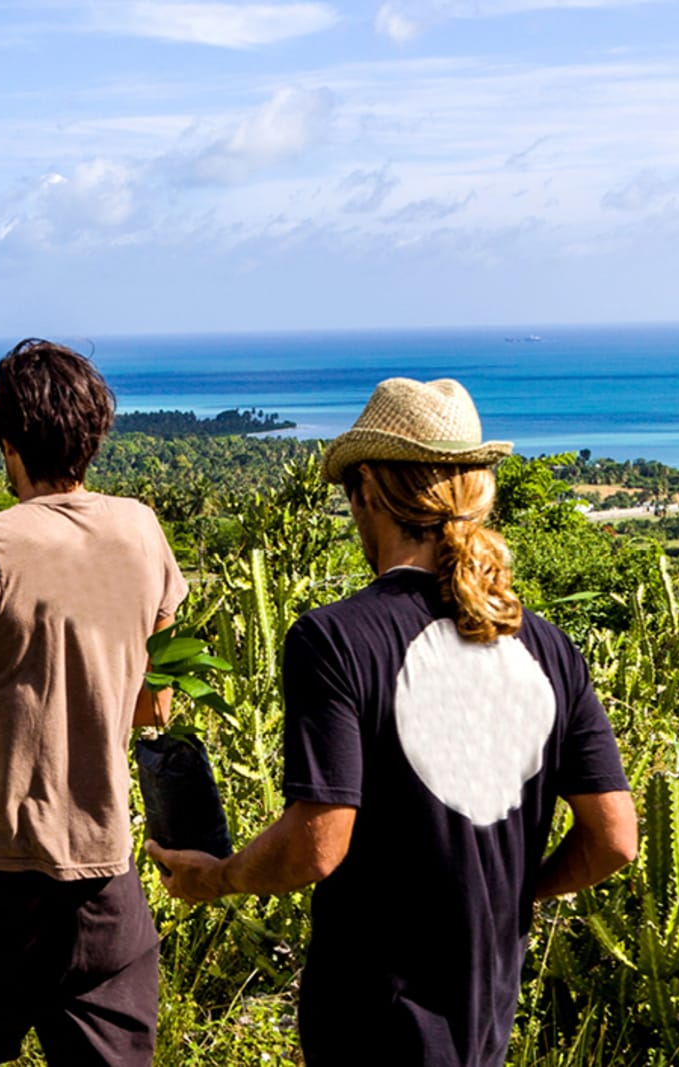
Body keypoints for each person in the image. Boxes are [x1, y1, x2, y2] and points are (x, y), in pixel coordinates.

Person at [147, 377, 638, 1067]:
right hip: (485, 1024)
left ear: (370, 488)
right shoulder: (548, 646)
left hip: (371, 1026)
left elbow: (318, 844)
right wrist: (509, 890)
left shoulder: (335, 639)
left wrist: (217, 876)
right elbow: (614, 838)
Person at [0, 339, 187, 1066]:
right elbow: (157, 706)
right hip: (104, 880)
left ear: (7, 443)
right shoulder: (142, 531)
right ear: (94, 436)